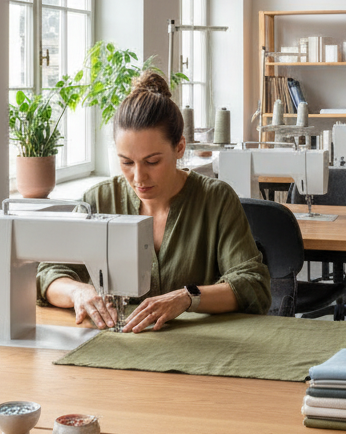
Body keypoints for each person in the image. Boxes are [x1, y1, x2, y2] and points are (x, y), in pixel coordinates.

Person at [38, 70, 270, 330]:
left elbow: (253, 284)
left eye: (152, 161)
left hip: (202, 352)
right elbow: (49, 273)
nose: (138, 177)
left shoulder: (216, 200)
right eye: (126, 162)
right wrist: (77, 292)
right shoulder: (99, 200)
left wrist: (186, 297)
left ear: (179, 147)